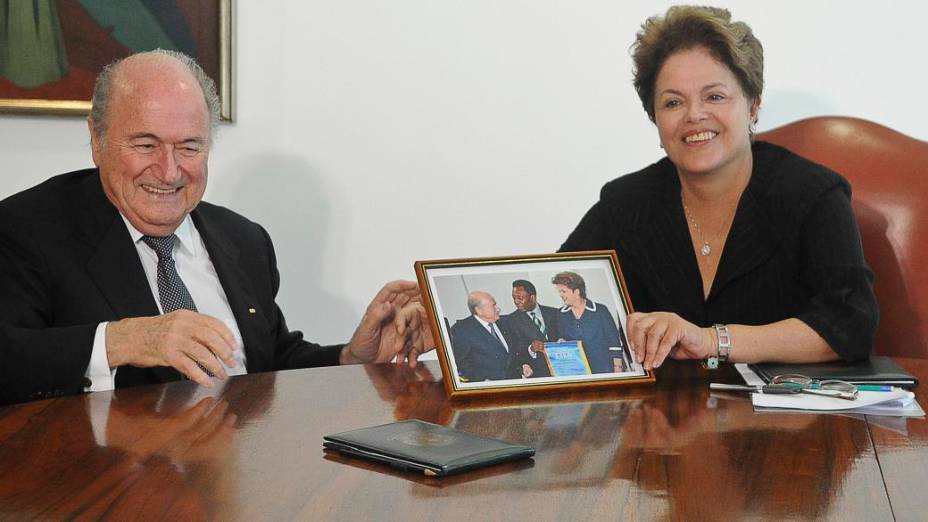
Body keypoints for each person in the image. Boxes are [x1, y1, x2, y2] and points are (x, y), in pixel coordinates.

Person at [0, 50, 431, 406]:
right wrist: (121, 340)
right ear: (96, 140)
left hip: (237, 479)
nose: (169, 172)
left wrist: (351, 358)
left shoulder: (243, 240)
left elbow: (268, 361)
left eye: (189, 146)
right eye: (146, 145)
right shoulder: (27, 230)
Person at [560, 6, 878, 370]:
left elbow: (851, 325)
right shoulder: (625, 203)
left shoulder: (812, 195)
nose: (694, 115)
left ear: (753, 105)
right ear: (655, 119)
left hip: (789, 420)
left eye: (714, 96)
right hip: (664, 419)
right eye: (673, 102)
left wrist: (712, 340)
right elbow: (557, 292)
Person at [551, 272, 630, 374]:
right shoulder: (561, 314)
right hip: (579, 371)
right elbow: (562, 338)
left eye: (563, 291)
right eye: (559, 291)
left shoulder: (600, 310)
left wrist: (617, 369)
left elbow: (614, 342)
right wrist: (561, 342)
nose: (560, 295)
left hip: (605, 369)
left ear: (577, 292)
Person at [449, 291, 529, 381]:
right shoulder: (461, 330)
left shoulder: (505, 322)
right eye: (493, 305)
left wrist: (523, 364)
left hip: (515, 381)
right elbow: (463, 364)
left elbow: (516, 349)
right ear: (479, 310)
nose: (498, 309)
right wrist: (482, 380)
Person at [505, 279, 561, 377]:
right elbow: (515, 351)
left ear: (532, 297)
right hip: (538, 373)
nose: (516, 301)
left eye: (520, 298)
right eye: (514, 298)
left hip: (562, 367)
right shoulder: (511, 321)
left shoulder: (554, 313)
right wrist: (531, 349)